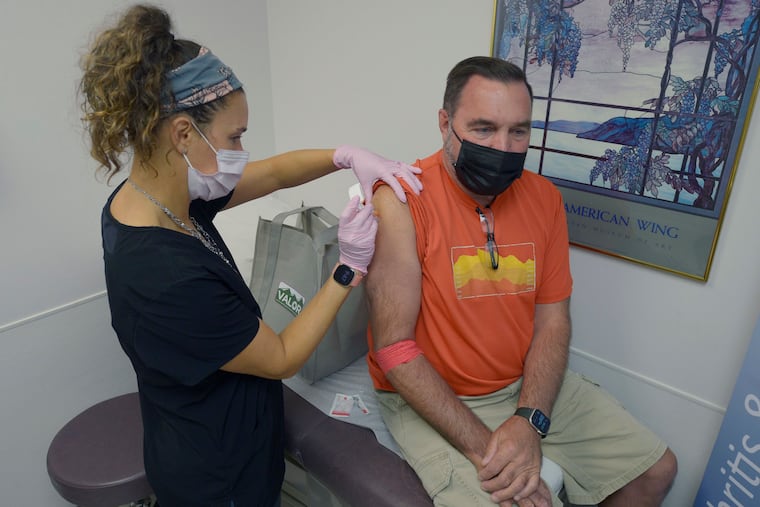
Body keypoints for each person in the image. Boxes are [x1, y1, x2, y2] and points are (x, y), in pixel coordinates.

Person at [78, 5, 421, 507]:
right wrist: (347, 268)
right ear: (181, 134)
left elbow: (275, 174)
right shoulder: (165, 276)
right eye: (235, 136)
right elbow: (281, 357)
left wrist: (344, 156)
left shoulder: (154, 197)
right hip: (218, 472)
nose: (242, 149)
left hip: (202, 429)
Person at [365, 56, 677, 507]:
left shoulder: (544, 198)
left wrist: (529, 421)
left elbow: (553, 321)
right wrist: (488, 450)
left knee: (656, 470)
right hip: (435, 393)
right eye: (483, 128)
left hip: (520, 385)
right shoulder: (401, 201)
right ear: (444, 122)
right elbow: (394, 349)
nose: (503, 147)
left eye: (519, 131)